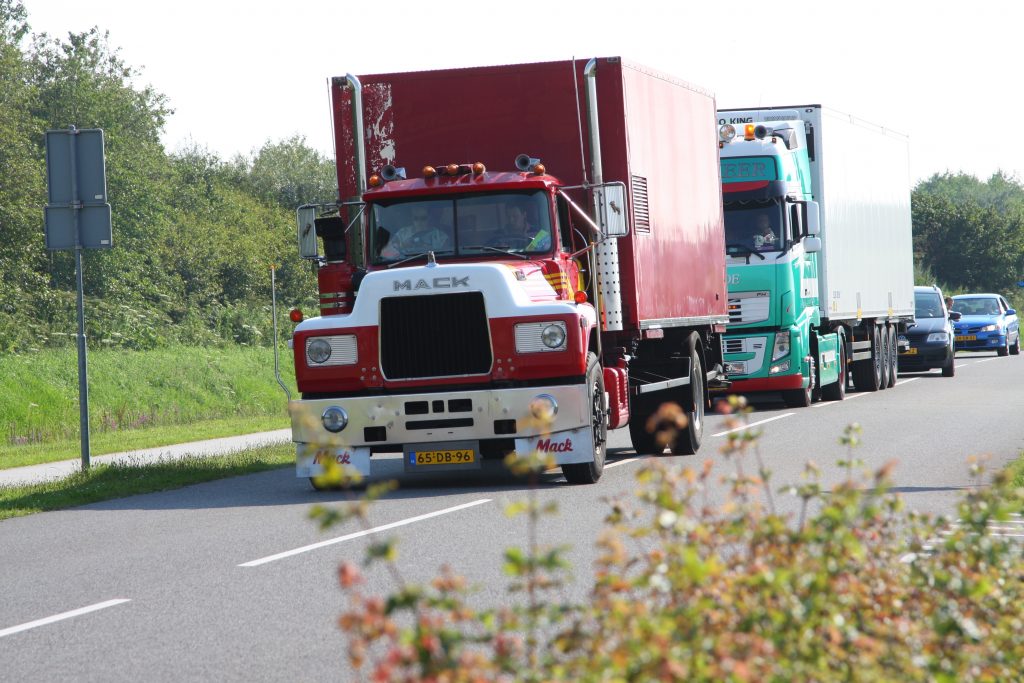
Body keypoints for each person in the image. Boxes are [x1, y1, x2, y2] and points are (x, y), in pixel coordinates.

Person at [381, 207, 451, 258]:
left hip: (431, 262)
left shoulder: (440, 235)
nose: (419, 222)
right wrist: (403, 245)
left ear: (429, 218)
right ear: (412, 219)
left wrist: (430, 249)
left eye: (423, 218)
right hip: (405, 263)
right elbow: (387, 251)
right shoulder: (402, 233)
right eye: (416, 218)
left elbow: (447, 254)